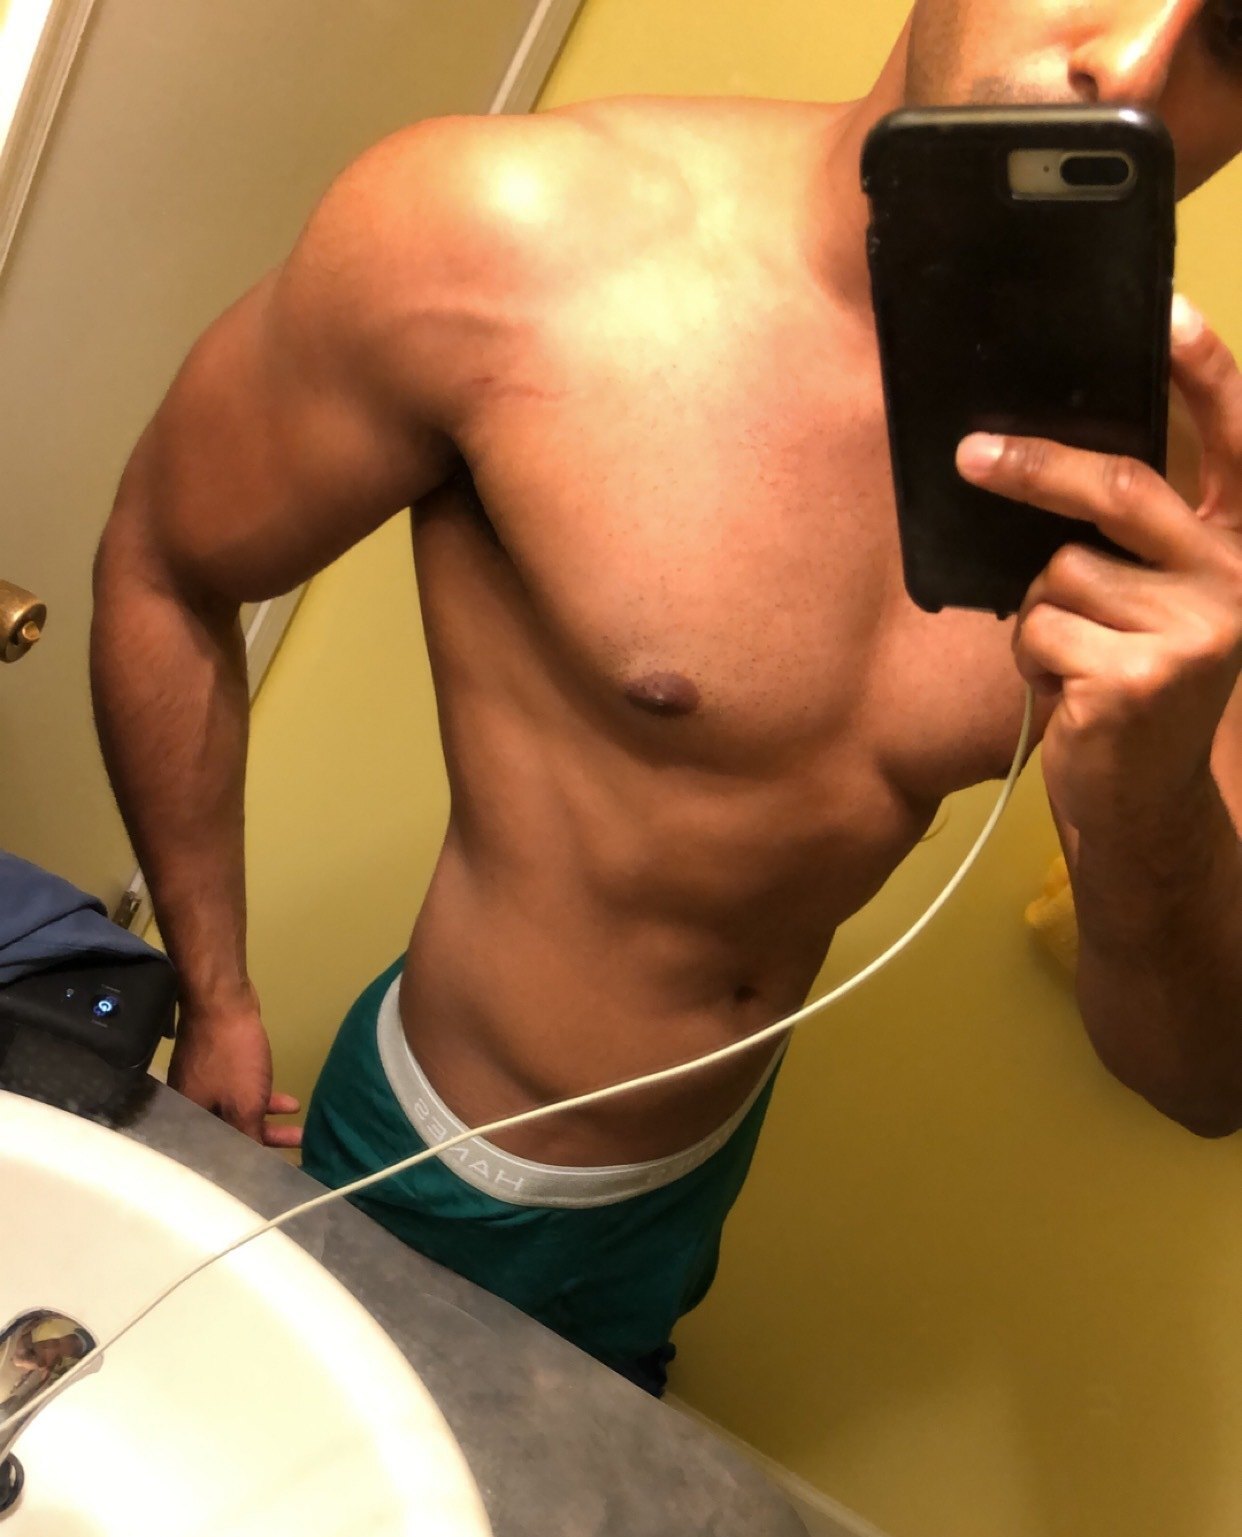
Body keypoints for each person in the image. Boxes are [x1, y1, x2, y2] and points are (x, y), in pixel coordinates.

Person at [89, 1, 1242, 1394]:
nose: (1133, 65)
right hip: (441, 1152)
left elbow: (1206, 1082)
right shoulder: (503, 242)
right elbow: (164, 567)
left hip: (696, 1167)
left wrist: (1153, 801)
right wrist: (213, 993)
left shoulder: (1181, 499)